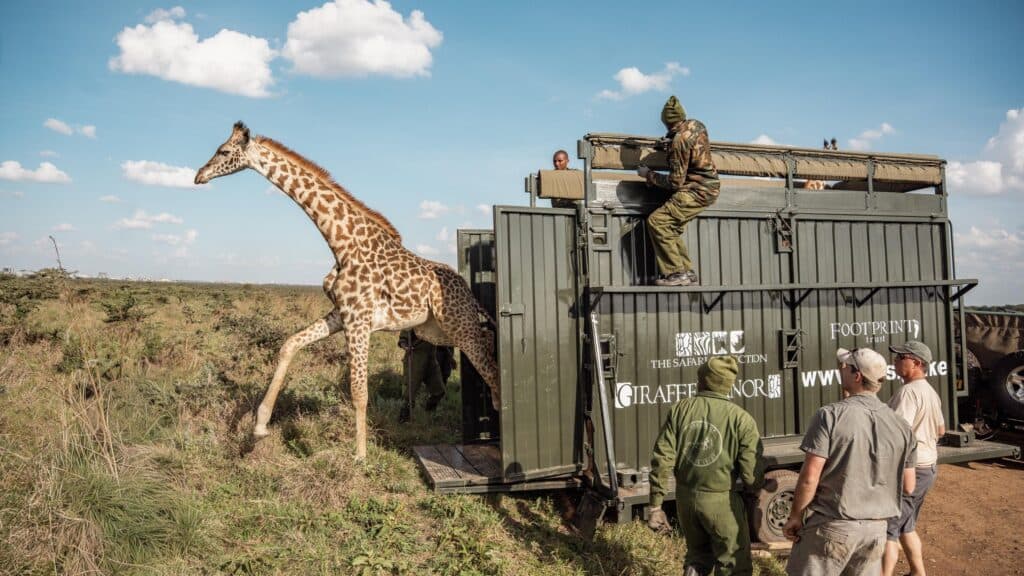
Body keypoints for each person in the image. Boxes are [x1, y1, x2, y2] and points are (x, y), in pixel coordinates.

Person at [784, 347, 918, 576]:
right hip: (876, 532)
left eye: (845, 366)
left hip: (833, 527)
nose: (841, 369)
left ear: (857, 376)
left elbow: (809, 477)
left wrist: (796, 515)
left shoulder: (830, 415)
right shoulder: (902, 426)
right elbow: (908, 486)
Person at [648, 355, 764, 576]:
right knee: (733, 565)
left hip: (686, 499)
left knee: (697, 557)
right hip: (721, 502)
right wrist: (754, 491)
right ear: (728, 385)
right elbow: (751, 475)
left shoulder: (680, 410)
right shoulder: (742, 419)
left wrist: (655, 505)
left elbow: (662, 458)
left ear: (702, 380)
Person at [640, 95, 720, 287]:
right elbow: (688, 141)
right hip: (710, 187)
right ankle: (687, 272)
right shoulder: (697, 125)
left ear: (667, 123)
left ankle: (676, 273)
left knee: (657, 222)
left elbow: (675, 182)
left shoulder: (679, 141)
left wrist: (649, 175)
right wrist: (670, 141)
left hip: (696, 190)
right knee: (671, 227)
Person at [882, 341, 945, 576]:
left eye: (901, 358)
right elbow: (940, 430)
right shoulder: (930, 391)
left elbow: (895, 432)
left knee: (888, 529)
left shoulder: (908, 392)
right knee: (906, 526)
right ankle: (918, 572)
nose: (895, 361)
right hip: (927, 469)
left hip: (911, 471)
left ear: (916, 363)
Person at [398, 330, 446, 423]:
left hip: (431, 359)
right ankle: (404, 420)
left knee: (439, 391)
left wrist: (450, 357)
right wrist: (406, 347)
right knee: (410, 394)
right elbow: (402, 339)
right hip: (415, 358)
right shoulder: (414, 319)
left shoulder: (434, 321)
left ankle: (429, 412)